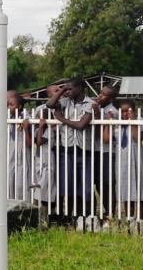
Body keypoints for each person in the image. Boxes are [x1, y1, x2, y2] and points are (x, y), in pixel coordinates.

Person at [46, 76, 94, 223]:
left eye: (71, 88)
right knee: (66, 186)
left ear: (80, 88)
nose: (68, 91)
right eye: (66, 88)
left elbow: (81, 125)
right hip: (66, 151)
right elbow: (49, 104)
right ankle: (65, 217)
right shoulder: (65, 102)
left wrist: (61, 119)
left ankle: (82, 216)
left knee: (84, 188)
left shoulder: (90, 103)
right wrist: (61, 91)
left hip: (83, 151)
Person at [104, 100, 143, 220]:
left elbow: (138, 138)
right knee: (126, 188)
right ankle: (129, 217)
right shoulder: (117, 125)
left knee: (139, 188)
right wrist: (108, 122)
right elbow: (106, 139)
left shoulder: (139, 123)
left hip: (136, 160)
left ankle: (140, 219)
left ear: (134, 111)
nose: (125, 114)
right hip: (122, 162)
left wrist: (133, 122)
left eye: (128, 111)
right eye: (123, 111)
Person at [93, 85, 119, 226]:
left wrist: (97, 115)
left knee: (107, 183)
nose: (99, 96)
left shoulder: (111, 112)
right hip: (96, 150)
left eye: (104, 94)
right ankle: (105, 211)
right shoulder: (100, 108)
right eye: (100, 92)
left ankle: (110, 213)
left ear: (111, 98)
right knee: (98, 183)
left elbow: (104, 138)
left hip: (107, 152)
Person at [7, 93, 32, 201]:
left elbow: (30, 142)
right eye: (8, 105)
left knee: (22, 179)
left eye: (11, 105)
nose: (8, 107)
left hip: (22, 151)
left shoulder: (26, 117)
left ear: (19, 106)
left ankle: (24, 202)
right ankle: (10, 201)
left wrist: (26, 128)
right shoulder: (8, 117)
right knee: (10, 178)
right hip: (11, 150)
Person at [33, 109, 56, 214]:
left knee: (45, 186)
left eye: (40, 117)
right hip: (39, 160)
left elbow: (39, 142)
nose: (38, 119)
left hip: (47, 161)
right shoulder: (37, 130)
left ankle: (47, 210)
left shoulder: (49, 131)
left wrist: (42, 127)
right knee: (39, 184)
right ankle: (39, 207)